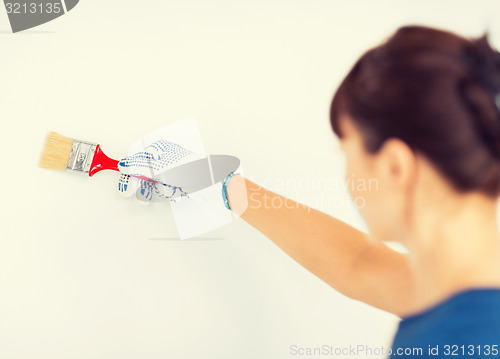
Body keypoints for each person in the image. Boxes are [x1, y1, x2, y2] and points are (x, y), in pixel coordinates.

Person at [225, 25, 500, 358]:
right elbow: (359, 265)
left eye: (346, 152)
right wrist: (229, 189)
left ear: (394, 166)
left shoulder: (453, 338)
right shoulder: (460, 285)